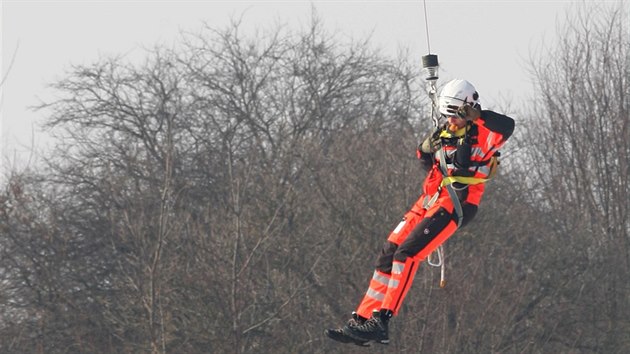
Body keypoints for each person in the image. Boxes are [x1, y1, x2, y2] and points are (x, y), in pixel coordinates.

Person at [325, 79, 515, 346]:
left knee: (407, 255)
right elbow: (428, 159)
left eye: (454, 115)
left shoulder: (485, 133)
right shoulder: (446, 130)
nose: (450, 121)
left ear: (466, 110)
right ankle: (363, 318)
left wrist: (478, 115)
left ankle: (382, 319)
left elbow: (507, 125)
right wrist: (426, 148)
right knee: (388, 254)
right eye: (447, 115)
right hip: (430, 200)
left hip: (456, 203)